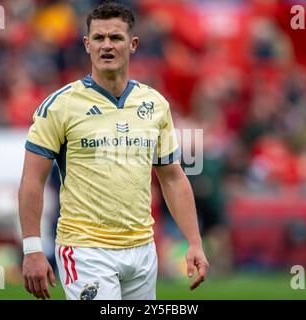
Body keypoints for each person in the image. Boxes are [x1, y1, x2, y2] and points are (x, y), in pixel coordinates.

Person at [18, 1, 209, 300]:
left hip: (143, 251)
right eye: (99, 38)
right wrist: (32, 249)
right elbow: (32, 180)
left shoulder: (155, 105)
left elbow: (172, 177)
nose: (107, 45)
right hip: (86, 249)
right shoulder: (60, 104)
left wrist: (194, 242)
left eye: (116, 38)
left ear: (132, 44)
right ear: (87, 44)